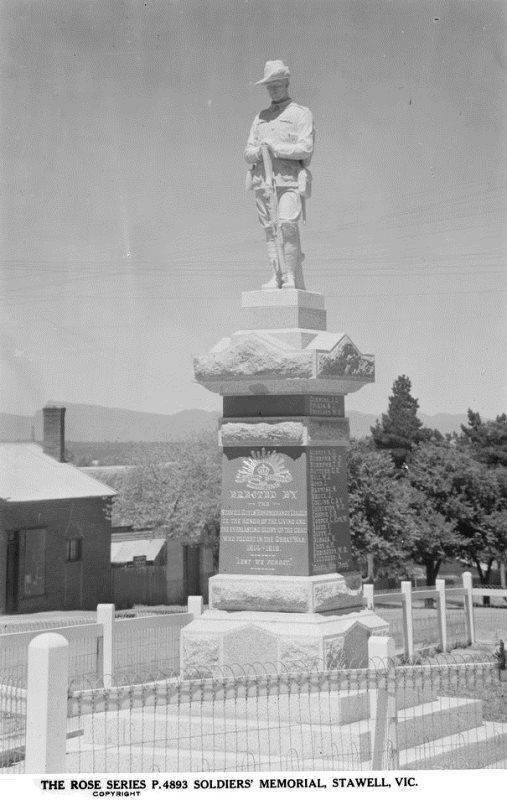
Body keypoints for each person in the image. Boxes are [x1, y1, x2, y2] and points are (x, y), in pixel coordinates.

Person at [245, 60, 315, 290]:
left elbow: (306, 148)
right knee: (270, 229)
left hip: (289, 180)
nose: (273, 89)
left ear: (286, 83)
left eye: (276, 84)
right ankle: (277, 275)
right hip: (263, 183)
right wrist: (259, 151)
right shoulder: (261, 117)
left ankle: (290, 276)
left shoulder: (300, 114)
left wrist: (277, 148)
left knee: (287, 225)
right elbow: (248, 151)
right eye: (269, 85)